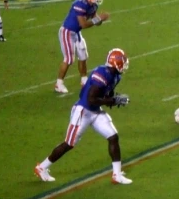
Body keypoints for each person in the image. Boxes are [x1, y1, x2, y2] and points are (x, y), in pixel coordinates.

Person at [35, 48, 132, 184]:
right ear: (115, 63)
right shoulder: (101, 74)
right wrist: (112, 101)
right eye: (122, 62)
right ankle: (41, 167)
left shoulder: (116, 76)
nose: (125, 64)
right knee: (69, 143)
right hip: (83, 111)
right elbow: (91, 98)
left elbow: (106, 94)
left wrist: (115, 99)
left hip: (95, 111)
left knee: (113, 137)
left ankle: (116, 175)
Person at [55, 0, 109, 93]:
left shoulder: (93, 6)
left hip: (76, 32)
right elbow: (83, 24)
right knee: (69, 59)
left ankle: (84, 80)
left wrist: (100, 20)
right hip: (67, 32)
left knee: (83, 55)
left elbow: (95, 22)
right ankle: (58, 84)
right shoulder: (79, 4)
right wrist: (98, 19)